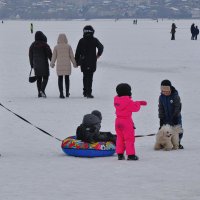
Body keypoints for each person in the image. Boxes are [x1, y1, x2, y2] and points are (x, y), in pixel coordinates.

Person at [114, 83, 147, 161]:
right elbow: (135, 108)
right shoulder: (128, 101)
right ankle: (131, 155)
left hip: (118, 121)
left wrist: (135, 102)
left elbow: (127, 104)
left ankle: (120, 154)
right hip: (126, 122)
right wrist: (139, 103)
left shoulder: (117, 100)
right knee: (129, 139)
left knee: (120, 138)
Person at [75, 25, 104, 98]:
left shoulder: (81, 40)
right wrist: (98, 54)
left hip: (83, 61)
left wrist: (76, 61)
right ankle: (88, 93)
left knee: (85, 77)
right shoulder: (94, 40)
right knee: (90, 77)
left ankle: (85, 92)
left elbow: (77, 52)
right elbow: (101, 47)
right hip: (92, 62)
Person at [158, 79, 183, 149]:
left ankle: (177, 143)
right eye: (163, 91)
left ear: (170, 89)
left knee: (177, 130)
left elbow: (178, 107)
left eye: (167, 91)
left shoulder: (175, 96)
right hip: (166, 117)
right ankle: (165, 143)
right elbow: (161, 108)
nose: (165, 93)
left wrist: (175, 117)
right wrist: (161, 118)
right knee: (166, 131)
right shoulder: (161, 97)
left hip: (176, 117)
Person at [50, 34, 77, 98]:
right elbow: (72, 56)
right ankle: (67, 93)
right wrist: (74, 64)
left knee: (60, 78)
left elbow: (53, 57)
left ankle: (61, 94)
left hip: (59, 66)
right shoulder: (68, 46)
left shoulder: (56, 47)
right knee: (67, 78)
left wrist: (52, 63)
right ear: (66, 39)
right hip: (67, 66)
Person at [29, 31, 52, 98]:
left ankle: (39, 92)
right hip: (44, 64)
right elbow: (49, 54)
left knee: (39, 78)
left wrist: (31, 64)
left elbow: (30, 55)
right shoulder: (45, 44)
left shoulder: (32, 45)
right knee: (46, 77)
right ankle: (42, 90)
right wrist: (52, 60)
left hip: (36, 65)